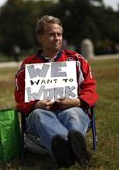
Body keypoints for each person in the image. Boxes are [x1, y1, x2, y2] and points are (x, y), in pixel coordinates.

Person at [14, 15, 99, 168]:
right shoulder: (27, 65)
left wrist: (77, 101)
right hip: (41, 115)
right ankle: (76, 151)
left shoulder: (77, 60)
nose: (57, 38)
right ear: (40, 37)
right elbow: (20, 99)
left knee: (72, 113)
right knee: (40, 115)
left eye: (59, 34)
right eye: (52, 34)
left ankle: (65, 154)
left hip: (72, 109)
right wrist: (35, 105)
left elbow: (91, 90)